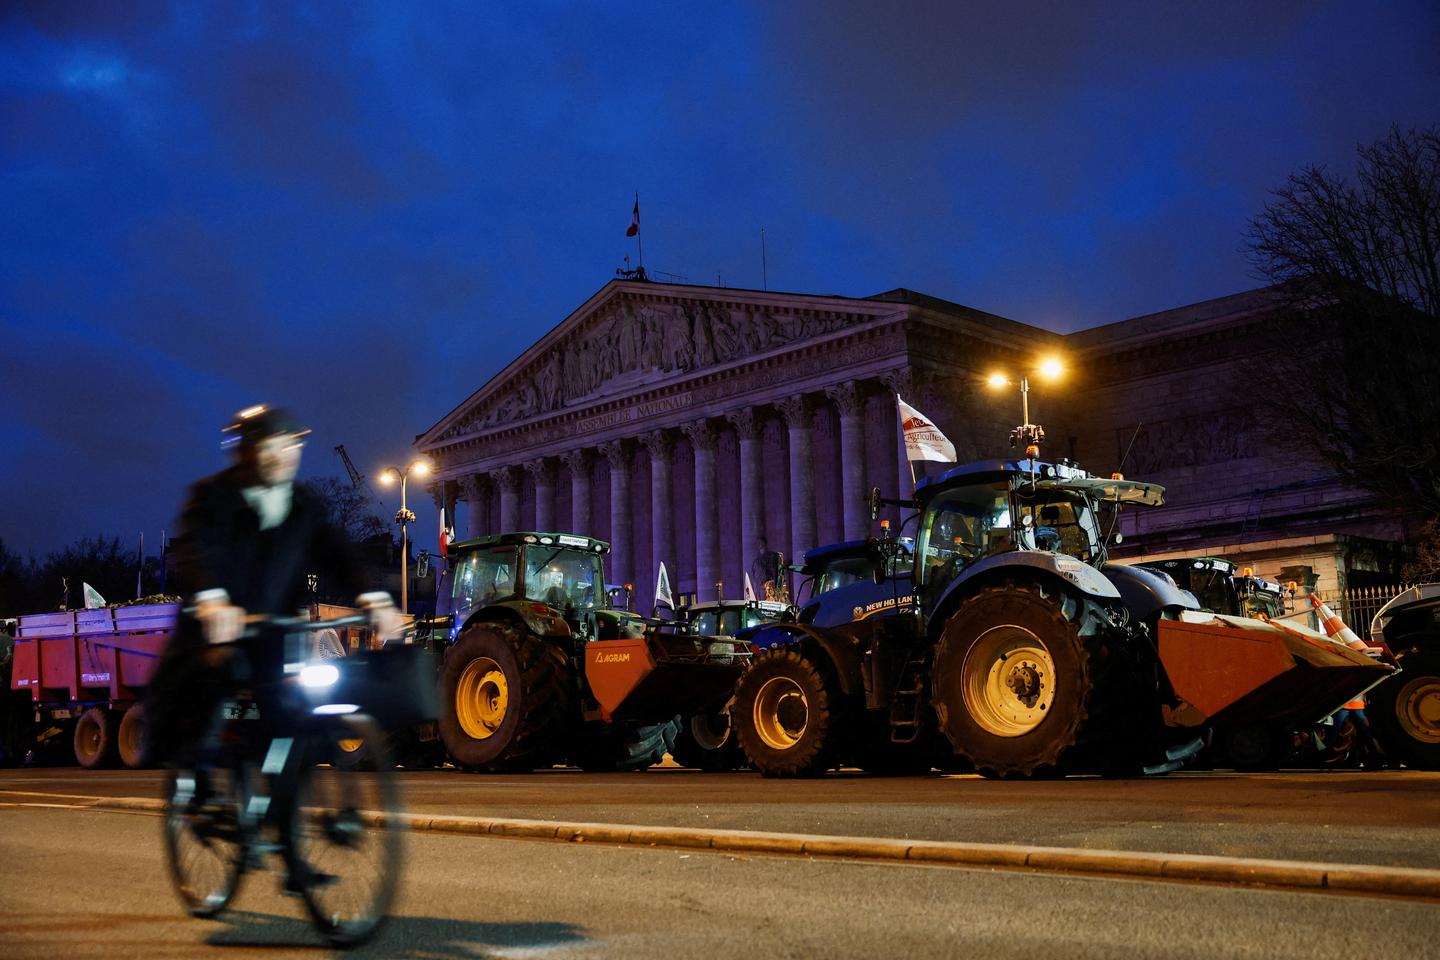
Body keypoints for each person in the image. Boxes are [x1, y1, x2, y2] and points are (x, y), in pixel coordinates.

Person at [145, 405, 401, 765]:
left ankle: (281, 799)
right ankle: (196, 777)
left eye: (291, 447)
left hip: (275, 630)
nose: (284, 457)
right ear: (247, 452)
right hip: (218, 627)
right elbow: (196, 549)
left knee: (290, 720)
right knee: (199, 703)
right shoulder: (211, 496)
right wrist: (213, 599)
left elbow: (336, 553)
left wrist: (372, 598)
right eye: (272, 447)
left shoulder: (304, 504)